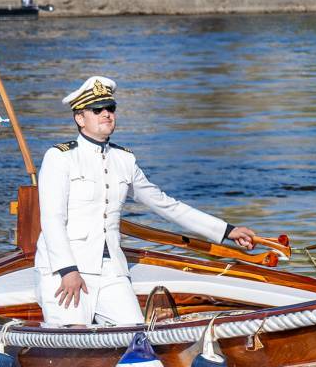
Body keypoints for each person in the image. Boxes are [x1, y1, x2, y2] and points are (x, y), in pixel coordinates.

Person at [34, 75, 255, 326]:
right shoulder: (60, 157)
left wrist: (227, 230)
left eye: (110, 108)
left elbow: (165, 204)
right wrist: (67, 270)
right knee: (73, 336)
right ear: (80, 119)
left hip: (111, 269)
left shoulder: (124, 160)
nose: (107, 114)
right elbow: (52, 219)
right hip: (64, 269)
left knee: (137, 334)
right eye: (97, 110)